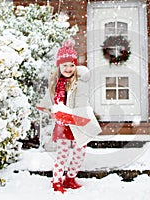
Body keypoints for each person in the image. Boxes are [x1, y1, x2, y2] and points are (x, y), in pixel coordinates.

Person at [48, 40, 101, 193]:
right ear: (59, 66)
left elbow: (82, 99)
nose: (68, 68)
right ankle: (56, 181)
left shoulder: (79, 81)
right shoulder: (56, 83)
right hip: (63, 123)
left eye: (72, 65)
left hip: (78, 121)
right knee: (62, 154)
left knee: (79, 153)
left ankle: (70, 178)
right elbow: (53, 102)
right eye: (64, 65)